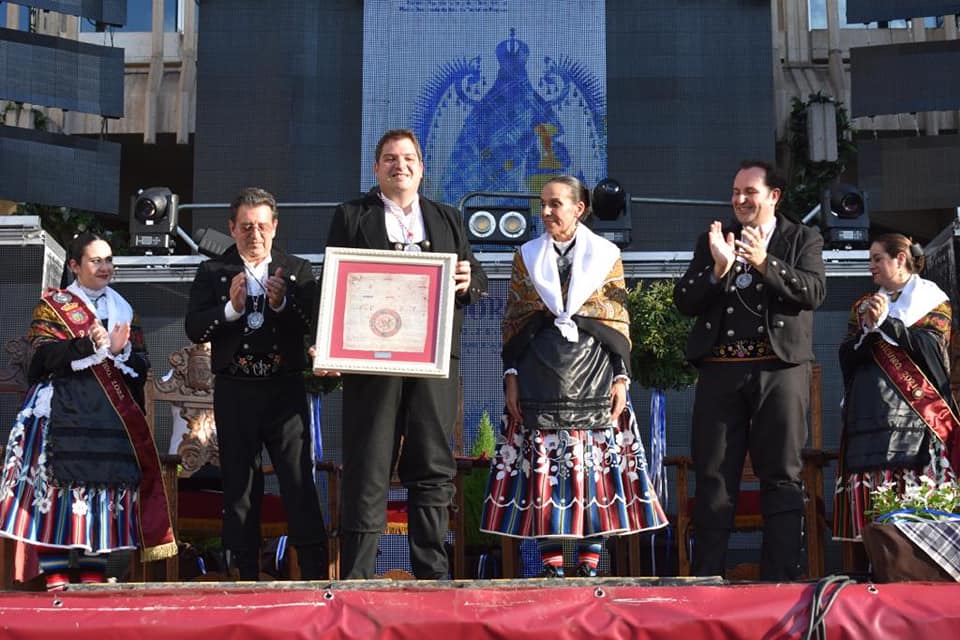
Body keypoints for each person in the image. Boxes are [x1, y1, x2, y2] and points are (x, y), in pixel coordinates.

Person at [480, 175, 668, 577]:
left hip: (595, 373)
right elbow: (515, 322)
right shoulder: (526, 255)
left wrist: (621, 378)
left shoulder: (605, 254)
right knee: (547, 472)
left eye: (556, 204)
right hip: (540, 375)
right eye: (543, 204)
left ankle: (589, 564)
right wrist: (511, 374)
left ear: (579, 208)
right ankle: (551, 566)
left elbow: (617, 321)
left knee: (590, 471)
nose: (547, 212)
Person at [320, 129, 487, 579]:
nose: (401, 165)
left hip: (434, 365)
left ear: (421, 167)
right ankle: (357, 574)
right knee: (368, 463)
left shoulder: (448, 218)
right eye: (391, 158)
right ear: (376, 168)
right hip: (372, 365)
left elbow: (478, 279)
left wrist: (470, 281)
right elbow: (335, 283)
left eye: (409, 158)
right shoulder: (352, 215)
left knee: (433, 463)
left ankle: (432, 572)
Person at [673, 160, 826, 580]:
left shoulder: (801, 237)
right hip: (721, 371)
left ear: (773, 196)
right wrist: (717, 270)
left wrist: (764, 262)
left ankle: (780, 579)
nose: (740, 200)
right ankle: (707, 578)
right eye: (735, 192)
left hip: (779, 370)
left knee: (781, 474)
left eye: (750, 192)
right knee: (713, 476)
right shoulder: (715, 240)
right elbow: (684, 300)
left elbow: (813, 291)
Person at [0, 232, 176, 590]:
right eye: (96, 261)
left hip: (109, 417)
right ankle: (57, 573)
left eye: (109, 260)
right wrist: (86, 345)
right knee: (57, 494)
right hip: (63, 408)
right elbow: (41, 357)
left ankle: (94, 574)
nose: (105, 267)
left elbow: (142, 365)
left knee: (103, 495)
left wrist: (122, 352)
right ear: (75, 266)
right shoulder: (53, 305)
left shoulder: (124, 309)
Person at [185, 186, 327, 580]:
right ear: (232, 228)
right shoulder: (212, 271)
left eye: (262, 226)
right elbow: (195, 327)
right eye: (246, 227)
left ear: (275, 227)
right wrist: (231, 308)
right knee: (240, 485)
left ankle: (314, 575)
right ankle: (245, 576)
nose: (255, 234)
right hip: (236, 390)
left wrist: (282, 304)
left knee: (298, 481)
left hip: (284, 389)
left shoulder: (296, 269)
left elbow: (314, 324)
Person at [833, 234, 959, 544]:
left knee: (921, 518)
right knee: (875, 515)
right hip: (869, 417)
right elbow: (846, 356)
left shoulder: (932, 301)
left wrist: (888, 323)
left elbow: (930, 353)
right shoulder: (863, 306)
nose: (871, 267)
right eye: (871, 260)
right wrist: (869, 330)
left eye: (878, 259)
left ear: (900, 259)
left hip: (916, 424)